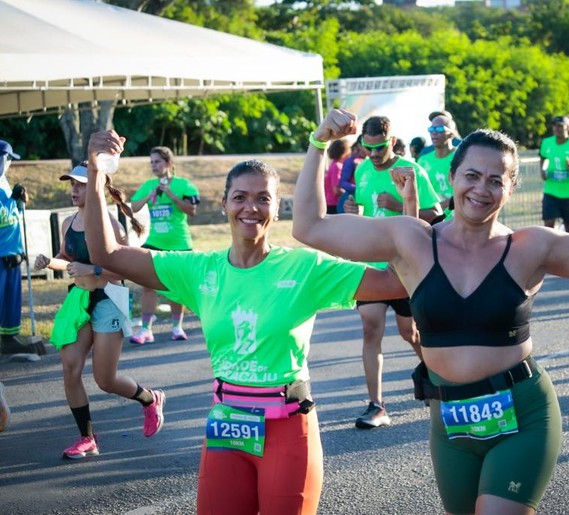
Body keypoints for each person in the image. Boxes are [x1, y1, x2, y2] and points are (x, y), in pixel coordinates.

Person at [293, 109, 569, 514]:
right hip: (450, 425)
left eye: (496, 180)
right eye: (472, 175)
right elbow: (310, 226)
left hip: (523, 417)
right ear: (452, 177)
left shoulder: (531, 247)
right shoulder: (410, 240)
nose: (481, 189)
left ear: (510, 189)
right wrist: (319, 143)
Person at [84, 130, 409, 513]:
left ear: (277, 208)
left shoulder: (305, 267)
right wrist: (94, 174)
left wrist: (410, 207)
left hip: (289, 426)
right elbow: (106, 253)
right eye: (240, 197)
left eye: (262, 198)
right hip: (227, 423)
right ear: (223, 204)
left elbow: (396, 282)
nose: (250, 208)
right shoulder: (198, 270)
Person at [33, 163, 165, 459]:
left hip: (109, 299)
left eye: (80, 184)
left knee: (105, 380)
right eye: (72, 185)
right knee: (70, 367)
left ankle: (149, 398)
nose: (74, 190)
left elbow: (124, 268)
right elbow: (66, 257)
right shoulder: (68, 223)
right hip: (79, 299)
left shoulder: (112, 226)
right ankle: (87, 438)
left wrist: (91, 268)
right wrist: (48, 262)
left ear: (97, 188)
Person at [344, 114, 442, 428]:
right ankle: (377, 405)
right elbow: (365, 210)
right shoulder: (361, 170)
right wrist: (351, 211)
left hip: (402, 265)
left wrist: (398, 204)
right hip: (372, 262)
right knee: (370, 327)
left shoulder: (410, 170)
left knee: (409, 332)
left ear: (392, 140)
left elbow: (436, 214)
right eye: (367, 147)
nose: (373, 154)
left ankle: (440, 377)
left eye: (379, 147)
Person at [130, 146, 200, 343]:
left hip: (179, 243)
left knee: (175, 286)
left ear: (169, 163)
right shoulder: (149, 185)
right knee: (148, 286)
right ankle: (146, 330)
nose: (154, 165)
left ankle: (177, 327)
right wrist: (149, 195)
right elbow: (134, 207)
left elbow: (191, 210)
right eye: (151, 162)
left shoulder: (184, 184)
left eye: (157, 161)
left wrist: (171, 195)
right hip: (154, 242)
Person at [0, 140, 36, 355]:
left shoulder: (3, 181)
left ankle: (9, 337)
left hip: (13, 252)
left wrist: (21, 201)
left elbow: (14, 215)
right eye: (9, 159)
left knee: (12, 298)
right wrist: (12, 201)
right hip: (1, 255)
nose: (10, 163)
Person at [539, 115, 569, 234]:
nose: (557, 129)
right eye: (555, 126)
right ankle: (550, 251)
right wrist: (543, 171)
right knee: (548, 225)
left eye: (561, 126)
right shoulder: (547, 142)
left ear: (568, 128)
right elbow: (543, 157)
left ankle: (568, 252)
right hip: (551, 192)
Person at [418, 114, 458, 219]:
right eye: (431, 129)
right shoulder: (423, 160)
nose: (434, 132)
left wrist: (445, 204)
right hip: (432, 220)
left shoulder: (462, 156)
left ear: (451, 135)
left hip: (456, 219)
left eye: (440, 129)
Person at [337, 136, 365, 213]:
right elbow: (342, 182)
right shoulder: (351, 161)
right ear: (359, 146)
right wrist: (360, 188)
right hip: (349, 202)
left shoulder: (370, 161)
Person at [324, 139, 351, 214]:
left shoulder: (333, 164)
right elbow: (336, 190)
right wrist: (348, 194)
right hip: (333, 204)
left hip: (332, 203)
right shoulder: (337, 166)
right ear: (343, 153)